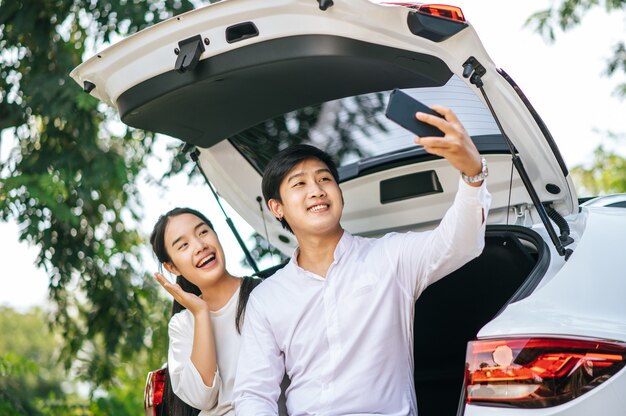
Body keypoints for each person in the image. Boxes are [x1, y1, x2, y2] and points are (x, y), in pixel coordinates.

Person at [232, 106, 492, 415]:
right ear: (277, 208)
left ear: (339, 193)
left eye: (325, 179)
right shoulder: (266, 298)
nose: (316, 190)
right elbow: (253, 394)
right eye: (299, 184)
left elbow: (459, 243)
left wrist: (473, 174)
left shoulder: (389, 257)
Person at [150, 207, 287, 416]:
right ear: (172, 268)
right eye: (184, 245)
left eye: (203, 232)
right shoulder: (182, 324)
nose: (200, 246)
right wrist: (200, 313)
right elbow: (201, 398)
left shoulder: (266, 293)